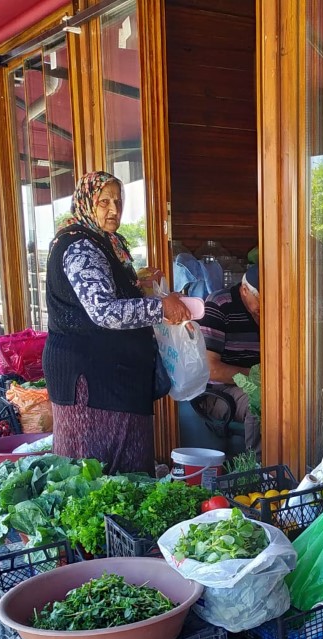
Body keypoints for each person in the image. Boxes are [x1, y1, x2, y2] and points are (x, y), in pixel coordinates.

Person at [42, 170, 194, 474]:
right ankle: (107, 523)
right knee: (95, 472)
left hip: (113, 375)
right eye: (104, 202)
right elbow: (105, 311)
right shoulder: (80, 246)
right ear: (87, 203)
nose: (114, 209)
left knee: (124, 469)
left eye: (118, 201)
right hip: (92, 379)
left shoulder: (103, 241)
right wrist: (161, 307)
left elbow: (98, 292)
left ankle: (117, 522)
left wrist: (137, 284)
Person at [199, 264, 261, 454]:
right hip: (222, 388)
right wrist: (258, 377)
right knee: (261, 401)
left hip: (258, 380)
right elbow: (211, 369)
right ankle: (259, 470)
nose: (268, 307)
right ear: (244, 290)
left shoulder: (272, 308)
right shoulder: (219, 304)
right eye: (261, 300)